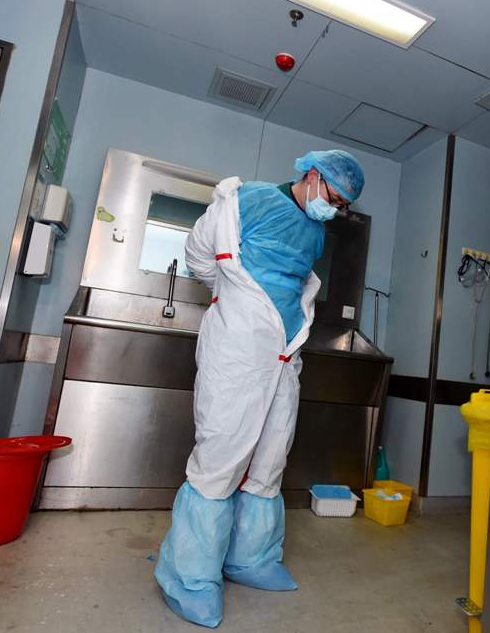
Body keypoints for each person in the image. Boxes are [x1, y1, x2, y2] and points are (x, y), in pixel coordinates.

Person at [154, 150, 365, 628]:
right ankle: (189, 579)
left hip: (284, 356)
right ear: (312, 176)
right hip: (238, 349)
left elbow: (294, 287)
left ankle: (250, 560)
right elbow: (199, 254)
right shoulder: (248, 200)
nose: (334, 210)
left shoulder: (314, 232)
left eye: (343, 206)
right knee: (221, 457)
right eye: (333, 197)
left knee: (270, 457)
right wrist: (233, 298)